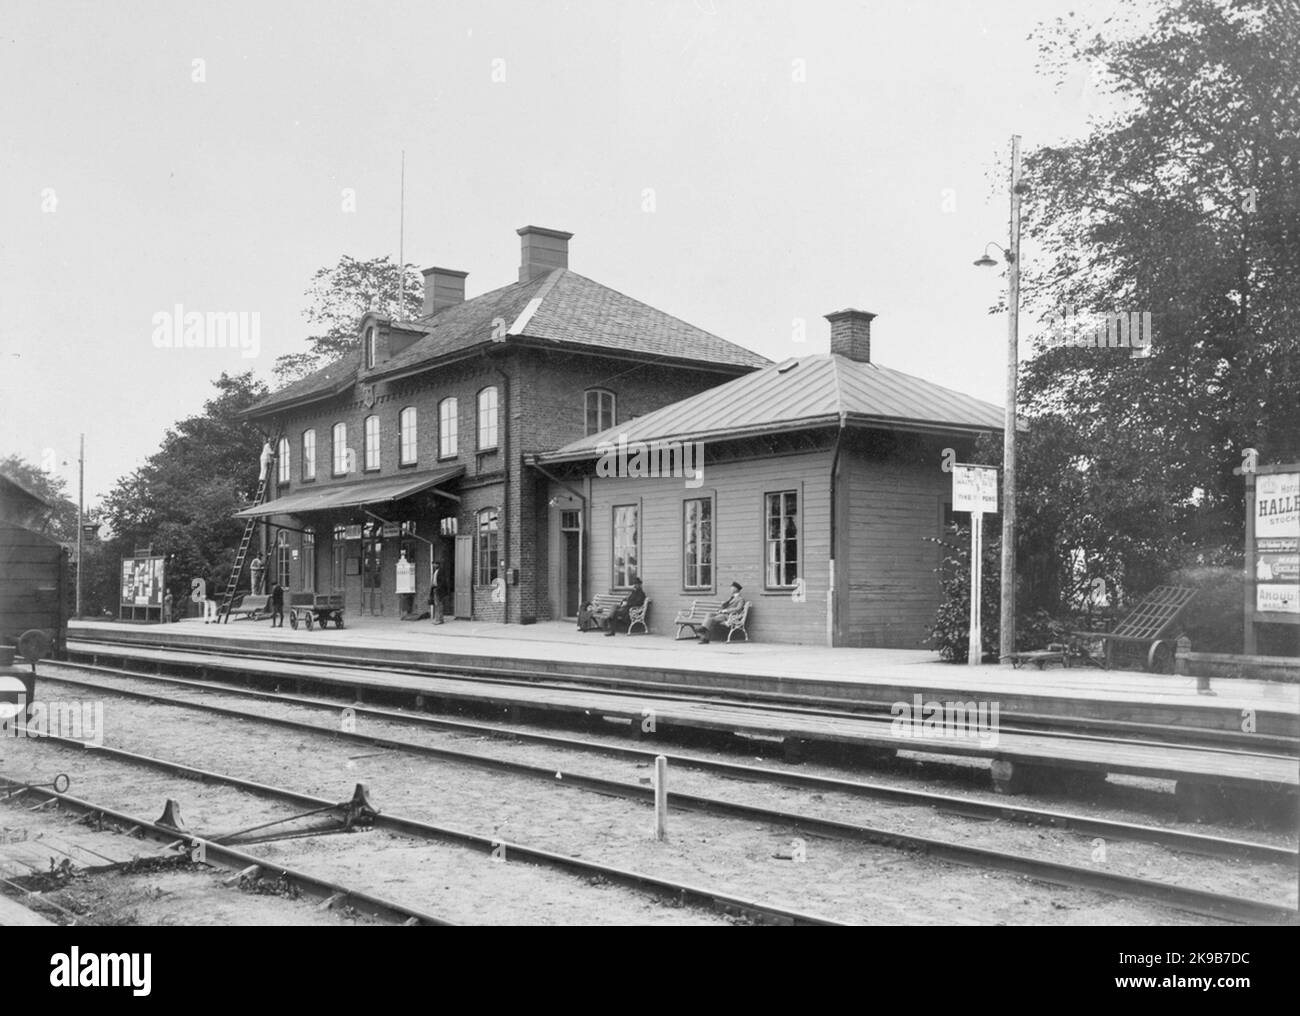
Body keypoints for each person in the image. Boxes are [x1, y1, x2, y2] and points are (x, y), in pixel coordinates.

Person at [429, 560, 448, 624]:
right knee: (436, 605)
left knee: (439, 605)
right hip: (435, 589)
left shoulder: (441, 571)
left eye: (434, 564)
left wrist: (438, 588)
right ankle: (437, 619)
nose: (433, 566)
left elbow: (442, 581)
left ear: (437, 564)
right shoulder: (435, 571)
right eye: (433, 564)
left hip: (439, 590)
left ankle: (440, 620)